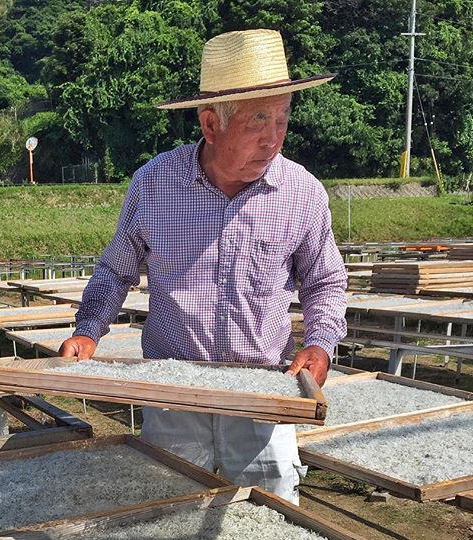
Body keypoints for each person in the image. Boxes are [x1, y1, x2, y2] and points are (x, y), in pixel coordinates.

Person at [60, 29, 347, 504]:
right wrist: (89, 329)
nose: (273, 138)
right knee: (162, 507)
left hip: (262, 395)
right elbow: (116, 269)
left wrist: (320, 342)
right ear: (211, 124)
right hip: (173, 392)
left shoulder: (302, 193)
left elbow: (325, 281)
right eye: (258, 120)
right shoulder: (156, 184)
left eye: (282, 119)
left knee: (270, 523)